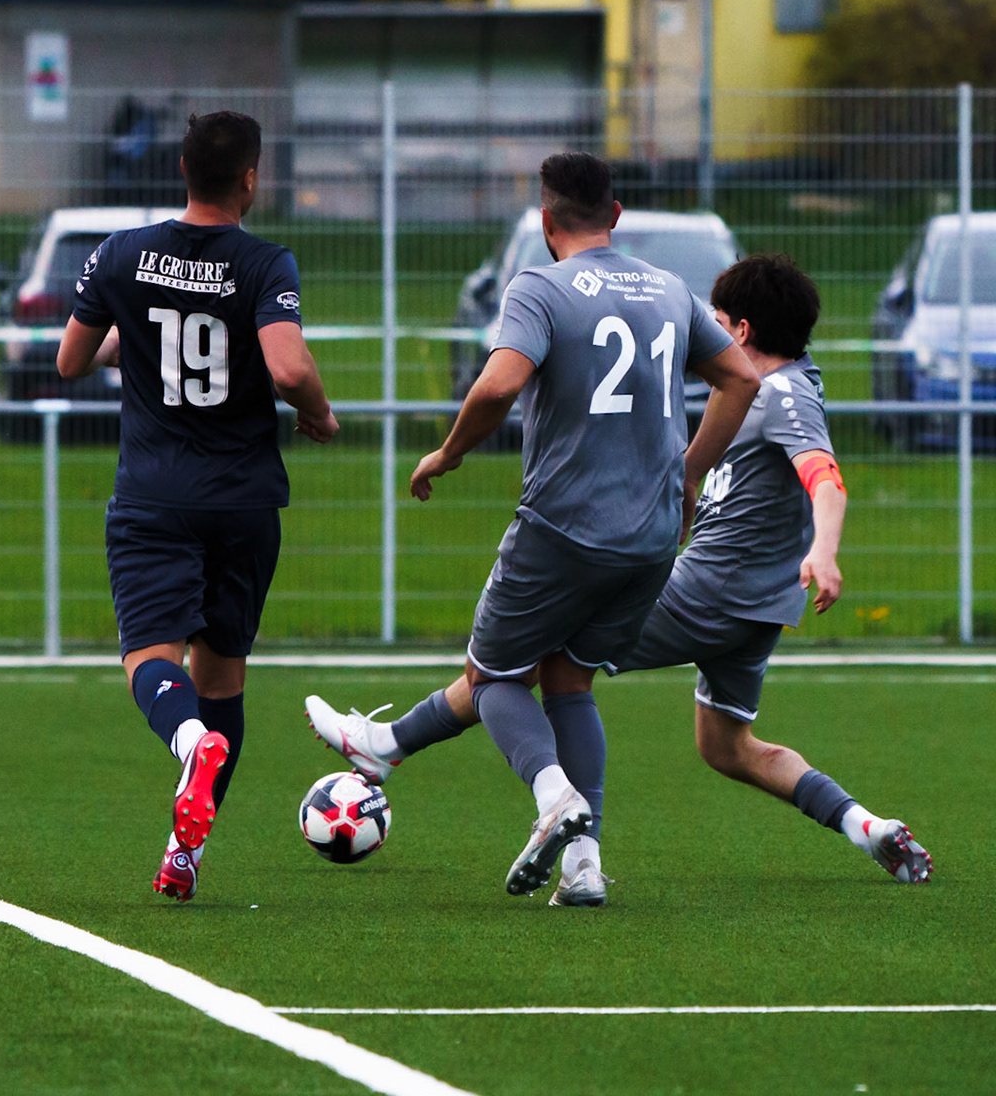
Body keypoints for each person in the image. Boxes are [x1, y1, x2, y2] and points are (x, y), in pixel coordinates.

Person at [309, 255, 932, 903]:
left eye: (718, 321)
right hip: (756, 610)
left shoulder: (781, 393)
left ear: (742, 330)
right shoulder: (770, 386)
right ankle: (866, 826)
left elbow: (824, 477)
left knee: (534, 658)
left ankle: (395, 749)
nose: (710, 333)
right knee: (726, 746)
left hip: (707, 592)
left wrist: (824, 552)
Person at [324, 152, 760, 900]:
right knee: (568, 680)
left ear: (548, 220)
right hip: (653, 538)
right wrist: (687, 474)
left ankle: (552, 794)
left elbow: (499, 384)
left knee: (492, 676)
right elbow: (742, 377)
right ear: (615, 215)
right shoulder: (669, 290)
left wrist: (448, 452)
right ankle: (583, 867)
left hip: (564, 528)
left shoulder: (540, 286)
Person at [57, 110, 339, 901]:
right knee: (222, 683)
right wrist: (319, 414)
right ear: (251, 178)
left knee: (152, 661)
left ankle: (188, 742)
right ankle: (184, 855)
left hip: (155, 496)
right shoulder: (265, 262)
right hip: (243, 502)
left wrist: (135, 338)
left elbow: (71, 359)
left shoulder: (121, 251)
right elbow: (288, 369)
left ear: (181, 170)